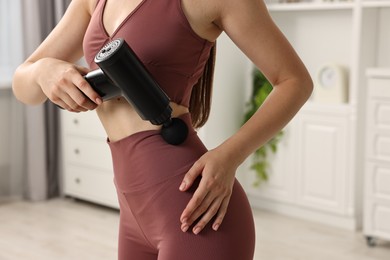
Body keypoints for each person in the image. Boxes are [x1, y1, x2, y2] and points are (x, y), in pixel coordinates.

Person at [12, 0, 313, 259]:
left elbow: (294, 81)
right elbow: (24, 87)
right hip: (133, 215)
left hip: (194, 212)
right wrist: (43, 70)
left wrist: (229, 156)